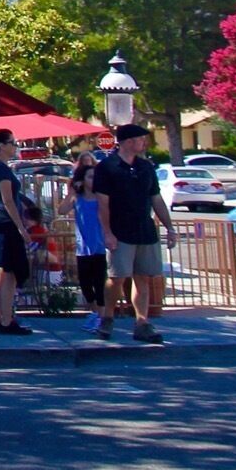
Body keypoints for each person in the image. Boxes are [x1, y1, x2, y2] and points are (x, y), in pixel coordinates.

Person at [95, 124, 174, 343]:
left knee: (143, 277)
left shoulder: (145, 167)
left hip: (144, 229)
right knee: (117, 277)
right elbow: (102, 203)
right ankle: (108, 317)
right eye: (140, 139)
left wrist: (169, 227)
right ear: (128, 141)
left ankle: (142, 322)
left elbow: (156, 198)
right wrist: (107, 233)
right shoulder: (107, 167)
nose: (144, 143)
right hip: (120, 230)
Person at [0, 128, 32, 333]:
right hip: (6, 225)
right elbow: (8, 200)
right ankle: (5, 320)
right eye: (12, 142)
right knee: (9, 273)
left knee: (2, 272)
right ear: (2, 145)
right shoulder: (1, 169)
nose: (15, 146)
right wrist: (22, 228)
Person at [68, 153, 110, 333]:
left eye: (95, 177)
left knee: (100, 283)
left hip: (99, 247)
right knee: (86, 285)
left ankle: (101, 316)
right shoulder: (77, 198)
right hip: (82, 248)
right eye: (90, 177)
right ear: (83, 179)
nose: (93, 180)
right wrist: (71, 192)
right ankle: (94, 313)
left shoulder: (101, 199)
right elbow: (62, 209)